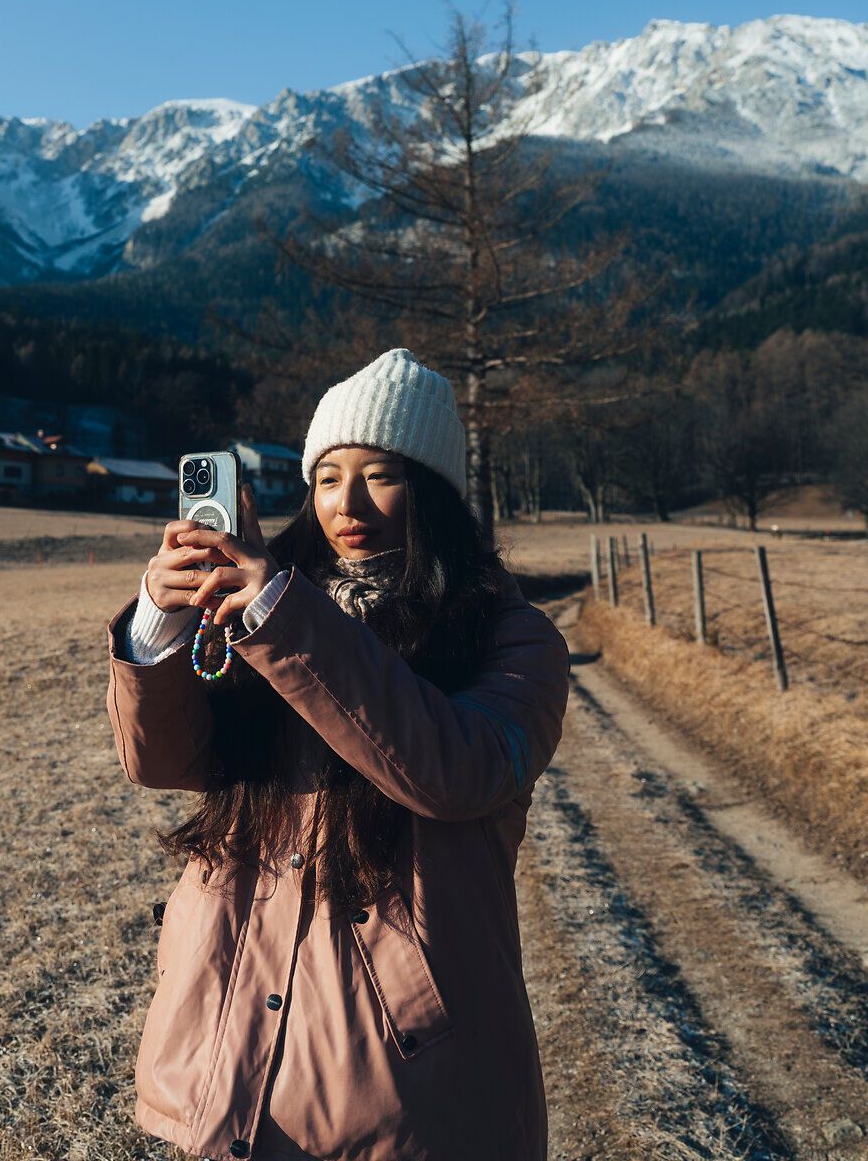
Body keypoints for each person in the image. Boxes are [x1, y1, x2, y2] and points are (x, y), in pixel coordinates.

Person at [104, 347, 572, 1160]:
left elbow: (454, 772)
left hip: (405, 1075)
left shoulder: (513, 638)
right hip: (228, 1038)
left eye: (380, 474)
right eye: (326, 477)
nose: (345, 502)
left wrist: (285, 620)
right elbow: (168, 763)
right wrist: (160, 623)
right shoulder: (270, 611)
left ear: (433, 492)